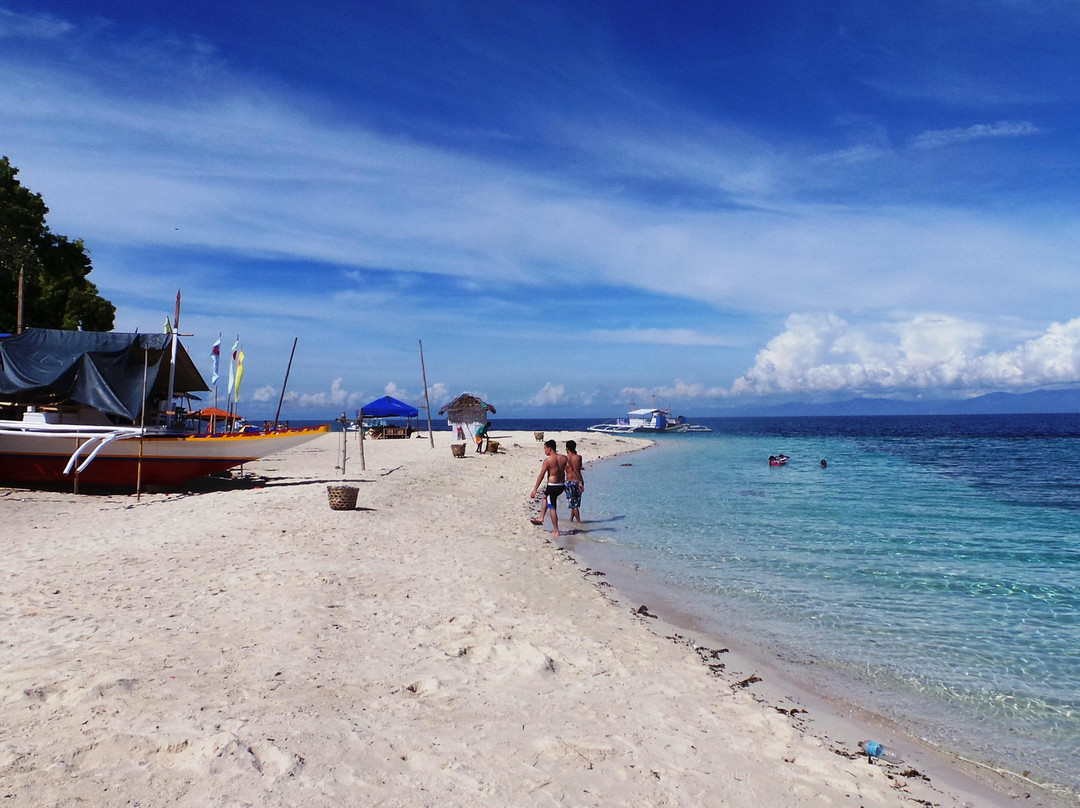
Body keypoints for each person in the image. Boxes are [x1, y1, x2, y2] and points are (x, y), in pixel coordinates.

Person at [530, 439, 567, 538]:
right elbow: (570, 471)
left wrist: (535, 489)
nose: (544, 450)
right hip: (561, 485)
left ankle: (556, 530)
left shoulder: (548, 461)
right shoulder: (564, 458)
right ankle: (541, 517)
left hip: (553, 486)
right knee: (545, 497)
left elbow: (541, 476)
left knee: (552, 507)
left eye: (545, 448)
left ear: (549, 448)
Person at [564, 439, 584, 523]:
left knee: (573, 503)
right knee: (575, 502)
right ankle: (571, 519)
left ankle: (578, 522)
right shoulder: (579, 457)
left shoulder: (565, 458)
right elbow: (579, 467)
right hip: (579, 480)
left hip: (569, 481)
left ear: (567, 448)